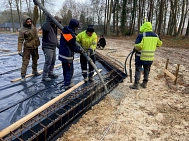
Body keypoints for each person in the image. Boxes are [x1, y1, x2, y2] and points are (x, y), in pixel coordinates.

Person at [129, 22, 163, 89]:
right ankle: (144, 83)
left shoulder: (142, 35)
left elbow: (138, 46)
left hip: (140, 57)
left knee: (138, 69)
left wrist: (135, 48)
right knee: (147, 70)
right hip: (150, 57)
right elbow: (160, 44)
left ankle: (136, 84)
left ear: (143, 27)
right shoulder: (156, 36)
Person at [59, 19, 84, 90]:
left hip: (62, 54)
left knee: (65, 69)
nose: (77, 28)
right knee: (70, 70)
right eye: (76, 27)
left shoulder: (65, 30)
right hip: (67, 55)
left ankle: (66, 81)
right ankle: (67, 84)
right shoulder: (70, 35)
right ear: (74, 26)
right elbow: (73, 47)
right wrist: (80, 50)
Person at [17, 5, 40, 82]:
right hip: (27, 48)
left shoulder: (33, 24)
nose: (29, 22)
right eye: (28, 22)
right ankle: (23, 75)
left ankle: (34, 71)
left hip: (35, 46)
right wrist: (19, 51)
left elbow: (36, 16)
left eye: (30, 21)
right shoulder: (22, 30)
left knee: (35, 59)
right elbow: (20, 40)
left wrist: (35, 8)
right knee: (25, 62)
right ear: (25, 22)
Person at [41, 16, 60, 81]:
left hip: (53, 47)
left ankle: (50, 73)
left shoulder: (55, 28)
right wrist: (48, 19)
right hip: (47, 47)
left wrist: (58, 46)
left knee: (53, 61)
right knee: (48, 62)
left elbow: (55, 38)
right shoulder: (46, 26)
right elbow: (46, 28)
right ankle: (44, 76)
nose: (56, 24)